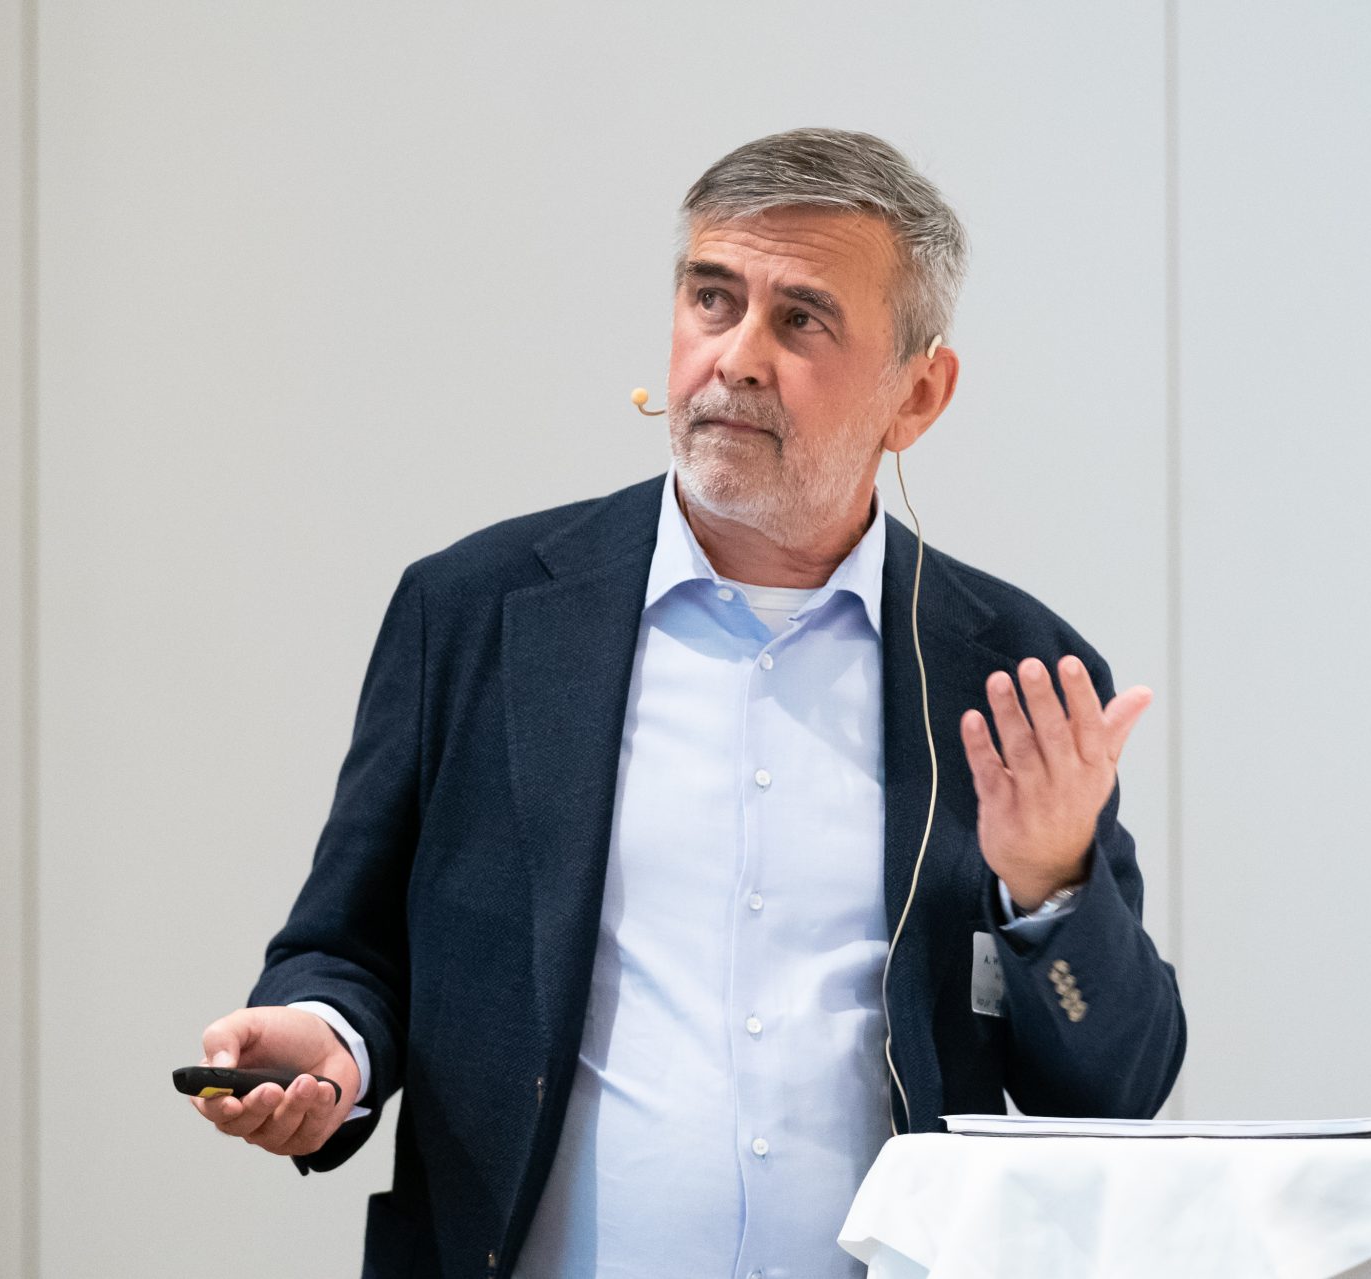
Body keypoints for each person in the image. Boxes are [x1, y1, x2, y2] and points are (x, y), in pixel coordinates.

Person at [187, 127, 1185, 1279]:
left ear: (918, 394)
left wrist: (1051, 889)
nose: (738, 357)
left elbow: (1119, 1090)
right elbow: (348, 951)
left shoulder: (1014, 677)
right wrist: (326, 1044)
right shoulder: (476, 613)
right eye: (713, 299)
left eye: (801, 319)